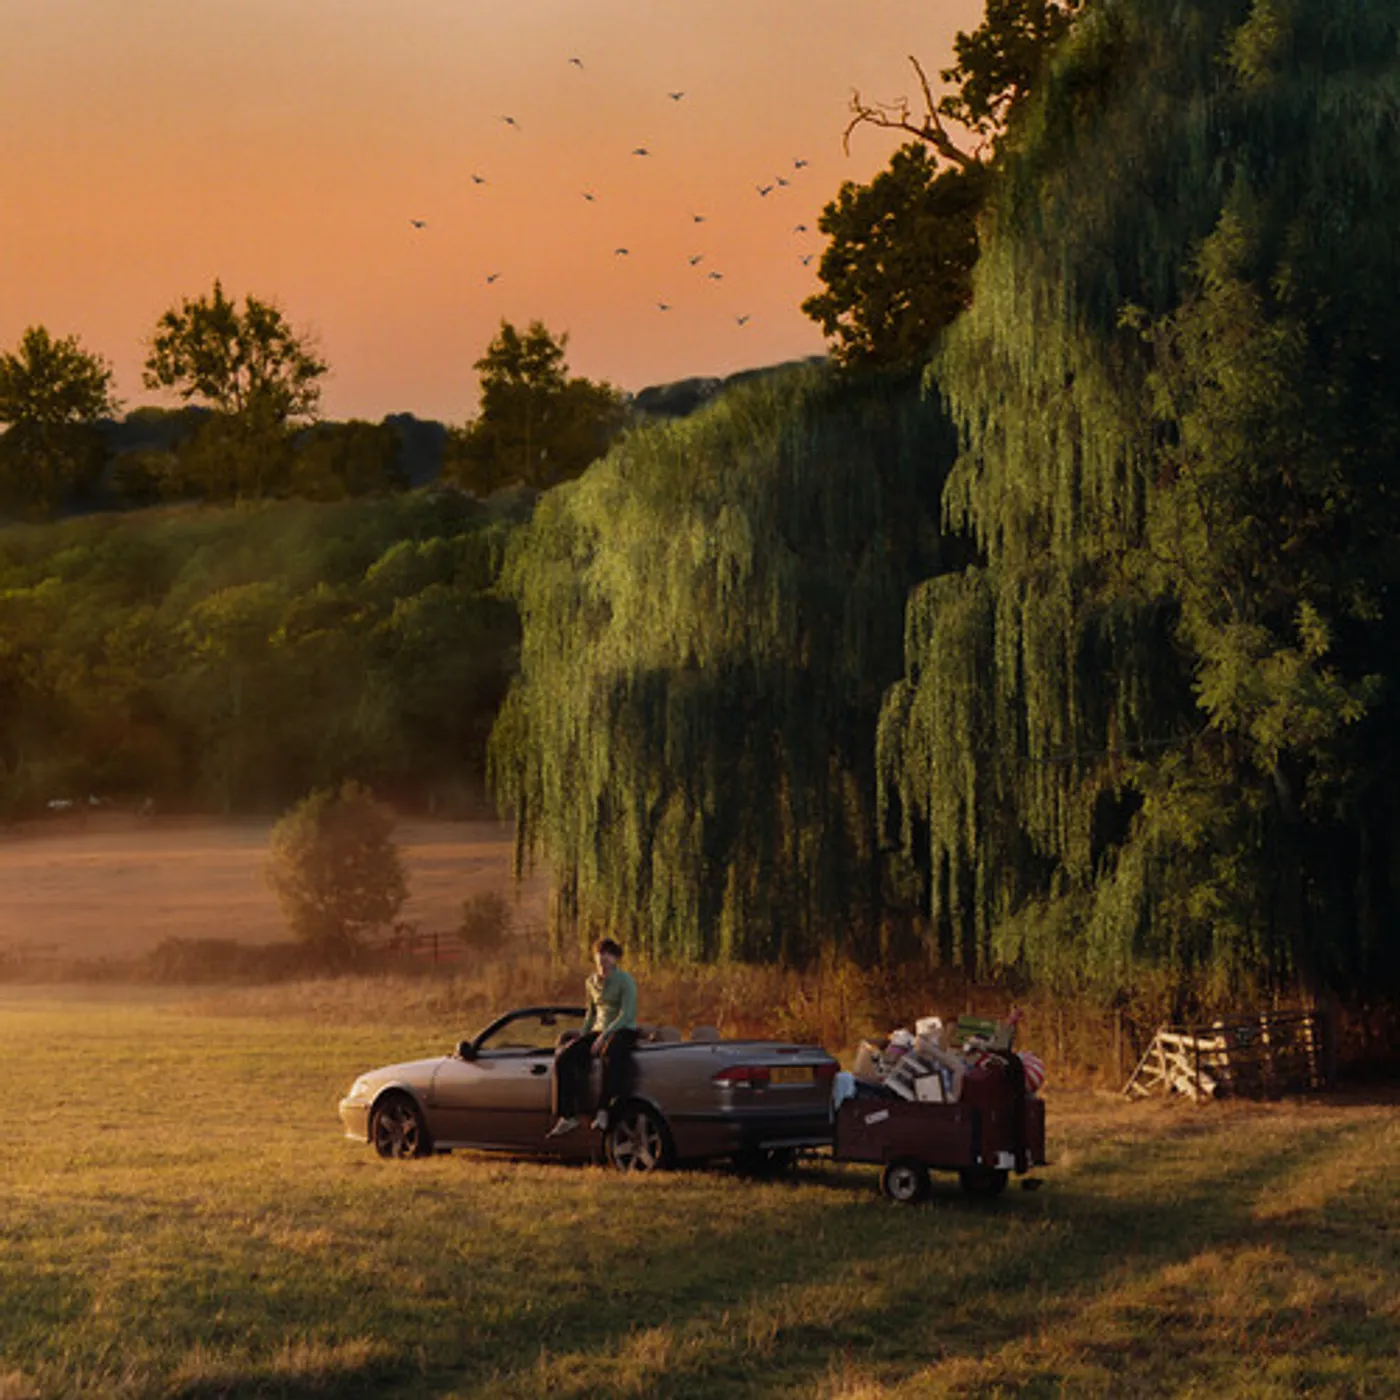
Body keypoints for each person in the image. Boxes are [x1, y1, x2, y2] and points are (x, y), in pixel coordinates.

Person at [546, 937, 638, 1137]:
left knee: (609, 1055)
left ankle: (604, 1109)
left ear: (615, 959)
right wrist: (583, 1035)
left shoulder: (625, 980)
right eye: (600, 960)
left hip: (623, 1029)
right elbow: (591, 1013)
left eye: (607, 959)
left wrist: (605, 1035)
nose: (603, 964)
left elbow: (627, 1013)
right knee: (564, 1057)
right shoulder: (591, 982)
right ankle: (567, 1115)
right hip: (598, 1030)